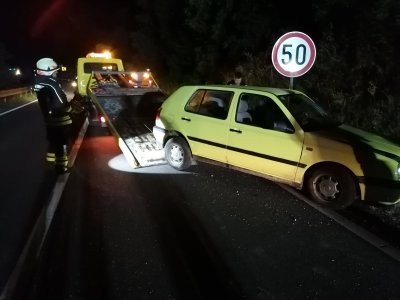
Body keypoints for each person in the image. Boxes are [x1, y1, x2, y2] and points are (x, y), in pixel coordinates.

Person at [33, 58, 72, 173]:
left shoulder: (39, 81)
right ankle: (61, 167)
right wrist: (70, 109)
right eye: (55, 71)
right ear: (48, 70)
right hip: (60, 119)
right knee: (62, 144)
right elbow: (60, 102)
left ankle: (50, 161)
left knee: (53, 140)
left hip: (49, 119)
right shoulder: (51, 83)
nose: (57, 72)